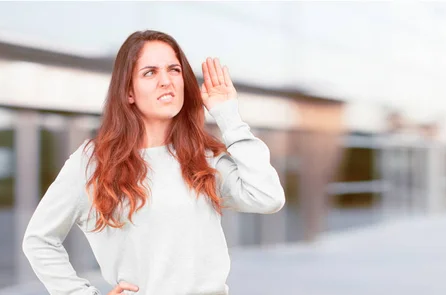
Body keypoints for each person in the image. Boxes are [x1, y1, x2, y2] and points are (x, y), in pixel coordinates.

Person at [22, 30, 285, 295]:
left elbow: (267, 197)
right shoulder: (92, 162)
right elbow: (39, 240)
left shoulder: (203, 158)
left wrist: (228, 116)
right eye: (150, 72)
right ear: (128, 93)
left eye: (174, 70)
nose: (166, 81)